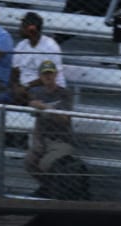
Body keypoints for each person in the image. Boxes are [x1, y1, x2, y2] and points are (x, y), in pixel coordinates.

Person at [24, 60, 81, 198]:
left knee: (46, 164)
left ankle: (50, 190)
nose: (48, 77)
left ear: (56, 74)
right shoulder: (36, 93)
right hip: (43, 138)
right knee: (29, 162)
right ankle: (49, 188)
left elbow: (64, 119)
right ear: (40, 76)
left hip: (61, 139)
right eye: (45, 74)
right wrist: (37, 141)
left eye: (50, 73)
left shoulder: (65, 93)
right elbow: (36, 118)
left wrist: (46, 108)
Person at [0, 11, 65, 105]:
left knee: (29, 96)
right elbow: (15, 72)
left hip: (49, 88)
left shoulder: (50, 46)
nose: (19, 29)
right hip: (24, 88)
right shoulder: (21, 45)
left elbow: (48, 78)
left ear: (31, 29)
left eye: (22, 26)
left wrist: (25, 87)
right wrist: (15, 87)